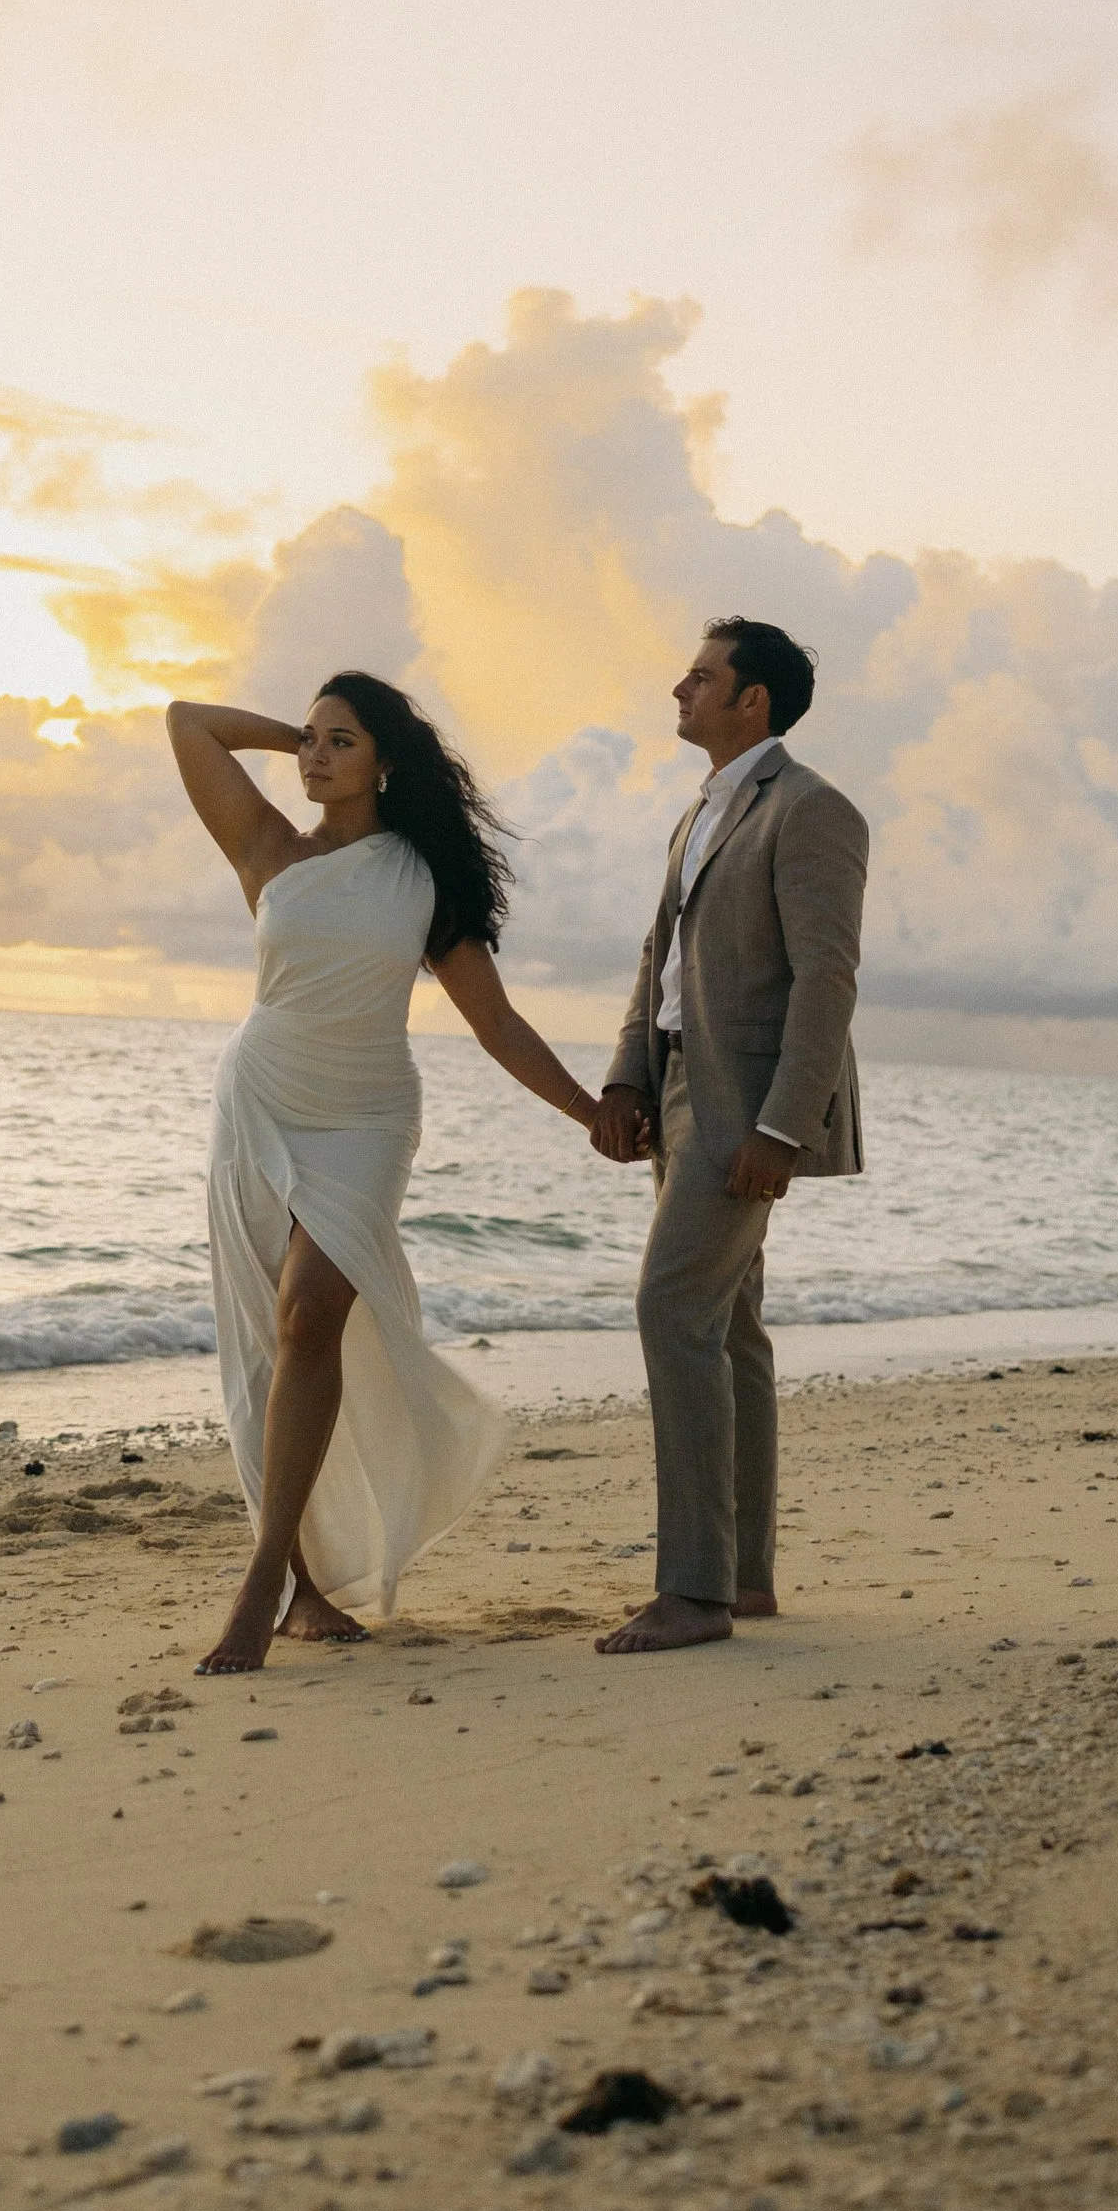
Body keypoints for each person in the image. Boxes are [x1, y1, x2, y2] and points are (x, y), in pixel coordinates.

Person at [167, 672, 606, 1676]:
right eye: (310, 742)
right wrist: (293, 732)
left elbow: (494, 1023)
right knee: (264, 1340)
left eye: (340, 742)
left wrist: (588, 1112)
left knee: (310, 1314)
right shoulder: (269, 850)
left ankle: (259, 1580)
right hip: (260, 1099)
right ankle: (303, 1592)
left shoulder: (424, 879)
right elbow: (186, 724)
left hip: (365, 1115)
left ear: (386, 761)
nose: (316, 758)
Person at [587, 617, 869, 1655]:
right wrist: (624, 1075)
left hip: (742, 1108)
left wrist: (781, 1128)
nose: (679, 688)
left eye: (700, 677)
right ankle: (742, 1579)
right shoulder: (699, 812)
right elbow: (656, 958)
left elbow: (826, 978)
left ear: (752, 700)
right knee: (730, 1326)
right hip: (673, 1092)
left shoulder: (812, 811)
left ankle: (693, 1592)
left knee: (671, 1310)